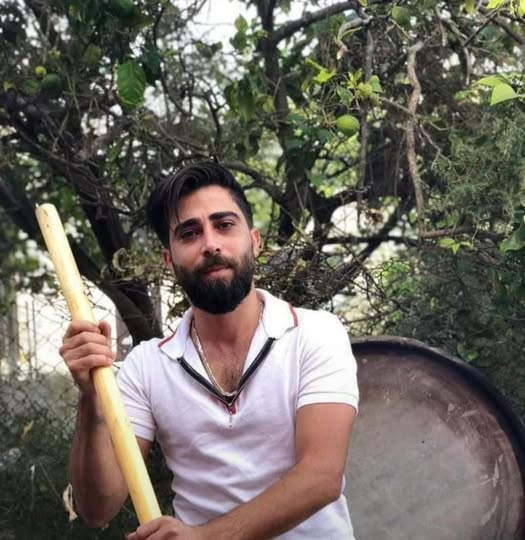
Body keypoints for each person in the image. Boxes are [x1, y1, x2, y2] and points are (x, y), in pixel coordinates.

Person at [59, 161, 359, 539]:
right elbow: (97, 508)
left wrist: (205, 537)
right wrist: (90, 398)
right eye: (189, 233)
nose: (211, 244)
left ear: (255, 241)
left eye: (224, 224)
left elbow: (321, 476)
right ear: (169, 261)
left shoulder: (315, 333)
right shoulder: (146, 367)